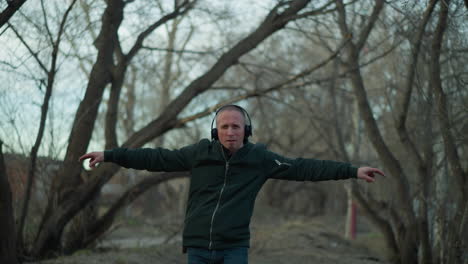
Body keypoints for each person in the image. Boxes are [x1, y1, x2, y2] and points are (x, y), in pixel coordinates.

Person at [79, 104, 384, 264]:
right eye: (224, 126)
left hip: (233, 248)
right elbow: (155, 158)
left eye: (235, 126)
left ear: (245, 130)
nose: (230, 132)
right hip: (198, 246)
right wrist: (108, 154)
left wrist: (353, 170)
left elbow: (306, 167)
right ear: (216, 131)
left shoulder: (260, 160)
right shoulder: (199, 154)